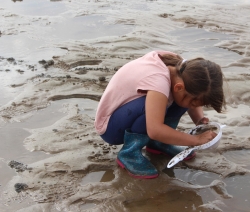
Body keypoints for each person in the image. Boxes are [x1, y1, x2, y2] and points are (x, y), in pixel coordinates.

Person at [94, 50, 226, 179]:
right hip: (111, 126)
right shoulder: (159, 82)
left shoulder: (181, 69)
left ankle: (159, 144)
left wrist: (199, 120)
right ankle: (129, 153)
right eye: (194, 103)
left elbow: (190, 98)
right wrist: (195, 140)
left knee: (183, 102)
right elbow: (155, 130)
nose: (194, 106)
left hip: (128, 113)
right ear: (179, 87)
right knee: (154, 106)